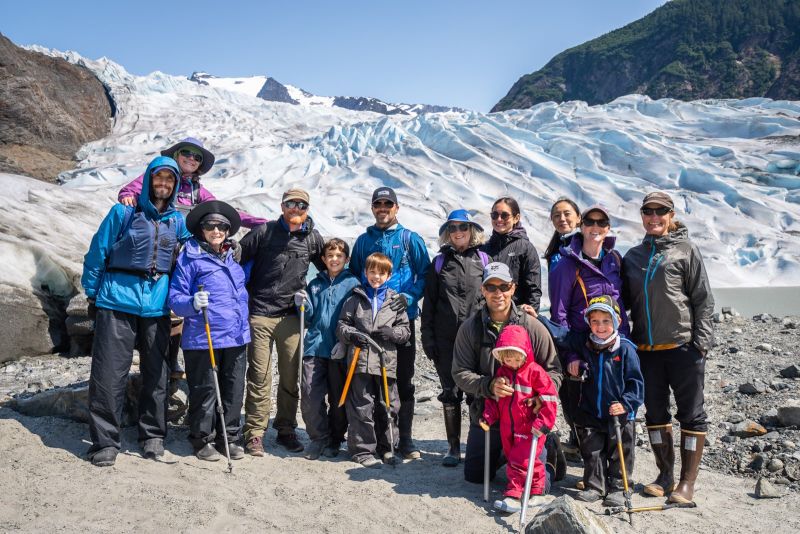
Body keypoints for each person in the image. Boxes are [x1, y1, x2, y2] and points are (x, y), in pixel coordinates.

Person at [117, 137, 265, 382]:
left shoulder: (199, 192)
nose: (192, 159)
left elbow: (219, 210)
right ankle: (158, 360)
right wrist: (126, 195)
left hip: (183, 255)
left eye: (197, 157)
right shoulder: (160, 176)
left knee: (178, 310)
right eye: (187, 153)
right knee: (163, 307)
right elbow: (131, 191)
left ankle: (171, 359)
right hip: (158, 254)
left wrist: (262, 223)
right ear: (176, 155)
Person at [81, 156, 192, 467]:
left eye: (170, 179)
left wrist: (226, 246)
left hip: (157, 305)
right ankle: (105, 442)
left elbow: (195, 248)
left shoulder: (177, 221)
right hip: (117, 300)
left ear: (175, 186)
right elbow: (98, 252)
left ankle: (152, 435)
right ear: (148, 180)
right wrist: (93, 293)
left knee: (156, 373)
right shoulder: (123, 212)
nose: (164, 184)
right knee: (108, 374)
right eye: (159, 177)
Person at [622, 191, 714, 504]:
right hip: (646, 350)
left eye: (660, 211)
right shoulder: (633, 257)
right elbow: (622, 302)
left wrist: (701, 344)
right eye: (648, 211)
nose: (654, 217)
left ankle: (687, 482)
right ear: (642, 216)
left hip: (683, 347)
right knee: (655, 413)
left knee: (691, 414)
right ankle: (665, 476)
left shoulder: (687, 250)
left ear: (671, 215)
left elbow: (703, 299)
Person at [452, 262, 562, 487]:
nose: (498, 293)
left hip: (526, 417)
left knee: (537, 486)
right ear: (483, 290)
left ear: (513, 288)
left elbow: (554, 370)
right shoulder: (470, 328)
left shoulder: (532, 326)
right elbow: (460, 372)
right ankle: (505, 453)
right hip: (490, 413)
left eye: (504, 286)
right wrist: (488, 385)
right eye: (491, 287)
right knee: (475, 476)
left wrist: (539, 398)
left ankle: (549, 450)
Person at [239, 188, 325, 456]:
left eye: (302, 205)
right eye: (291, 203)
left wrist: (312, 296)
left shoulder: (313, 239)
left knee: (290, 377)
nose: (296, 208)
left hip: (291, 316)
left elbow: (328, 271)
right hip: (260, 313)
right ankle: (254, 432)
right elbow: (236, 258)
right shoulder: (264, 232)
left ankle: (286, 428)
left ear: (307, 209)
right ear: (282, 205)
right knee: (259, 376)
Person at [349, 186, 431, 460]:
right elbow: (354, 275)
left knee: (401, 380)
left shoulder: (410, 239)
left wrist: (410, 297)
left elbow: (426, 274)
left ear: (397, 208)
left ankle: (403, 439)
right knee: (368, 381)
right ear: (372, 208)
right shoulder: (364, 241)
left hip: (400, 323)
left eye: (388, 204)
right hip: (368, 324)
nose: (382, 209)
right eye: (378, 204)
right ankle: (375, 442)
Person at [539, 295, 644, 506]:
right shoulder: (585, 342)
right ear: (588, 322)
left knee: (619, 452)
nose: (600, 326)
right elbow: (563, 335)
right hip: (591, 411)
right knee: (592, 451)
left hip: (619, 415)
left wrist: (625, 404)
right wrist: (539, 318)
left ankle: (619, 488)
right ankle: (595, 486)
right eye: (595, 321)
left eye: (606, 321)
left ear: (617, 321)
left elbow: (637, 383)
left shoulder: (625, 349)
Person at [168, 201, 249, 462]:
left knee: (234, 389)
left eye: (222, 227)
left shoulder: (233, 258)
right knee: (205, 391)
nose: (216, 231)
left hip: (236, 336)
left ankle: (229, 437)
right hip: (204, 337)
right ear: (201, 229)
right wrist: (191, 303)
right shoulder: (189, 257)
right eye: (210, 226)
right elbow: (175, 297)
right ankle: (202, 439)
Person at [547, 204, 628, 462]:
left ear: (608, 228)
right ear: (581, 226)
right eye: (590, 222)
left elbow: (622, 306)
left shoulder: (614, 260)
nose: (595, 227)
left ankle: (612, 471)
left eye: (601, 222)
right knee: (583, 408)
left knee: (614, 404)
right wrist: (570, 355)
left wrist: (626, 346)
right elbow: (559, 315)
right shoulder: (566, 265)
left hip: (613, 346)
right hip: (581, 345)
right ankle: (593, 469)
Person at [420, 209, 489, 467]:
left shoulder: (484, 260)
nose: (458, 232)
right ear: (447, 233)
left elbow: (493, 299)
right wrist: (427, 338)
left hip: (476, 339)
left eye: (463, 227)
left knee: (475, 392)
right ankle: (452, 447)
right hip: (445, 339)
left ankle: (474, 447)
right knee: (450, 392)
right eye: (452, 228)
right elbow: (429, 304)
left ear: (471, 230)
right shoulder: (439, 263)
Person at [337, 253, 411, 468]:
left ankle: (387, 448)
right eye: (372, 272)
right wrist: (352, 335)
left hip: (385, 361)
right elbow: (342, 325)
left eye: (381, 273)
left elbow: (405, 331)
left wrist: (392, 333)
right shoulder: (355, 298)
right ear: (365, 272)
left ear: (389, 275)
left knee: (388, 405)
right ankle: (362, 450)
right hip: (360, 361)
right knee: (362, 405)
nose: (376, 276)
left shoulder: (395, 301)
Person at [481, 325, 558, 513]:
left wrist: (543, 423)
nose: (514, 363)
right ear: (501, 358)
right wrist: (488, 416)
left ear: (526, 354)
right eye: (508, 359)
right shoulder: (502, 373)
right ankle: (538, 492)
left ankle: (514, 495)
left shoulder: (535, 372)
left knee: (519, 460)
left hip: (530, 427)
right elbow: (495, 400)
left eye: (517, 359)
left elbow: (549, 398)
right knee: (525, 459)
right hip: (508, 426)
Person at [297, 238, 360, 460]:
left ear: (346, 259)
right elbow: (309, 317)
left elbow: (356, 316)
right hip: (315, 346)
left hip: (339, 349)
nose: (334, 259)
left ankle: (335, 438)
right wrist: (302, 304)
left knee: (337, 397)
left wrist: (345, 342)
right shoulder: (315, 284)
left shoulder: (353, 283)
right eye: (330, 256)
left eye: (339, 256)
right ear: (323, 259)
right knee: (309, 393)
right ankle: (318, 437)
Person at [481, 197, 542, 311]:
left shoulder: (525, 248)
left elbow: (533, 288)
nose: (499, 219)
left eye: (504, 215)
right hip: (488, 315)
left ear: (516, 218)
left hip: (516, 314)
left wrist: (529, 316)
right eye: (494, 215)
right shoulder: (484, 248)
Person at [543, 197, 581, 271]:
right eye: (557, 215)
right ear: (552, 220)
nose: (562, 219)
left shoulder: (588, 245)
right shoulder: (554, 251)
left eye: (567, 214)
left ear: (578, 218)